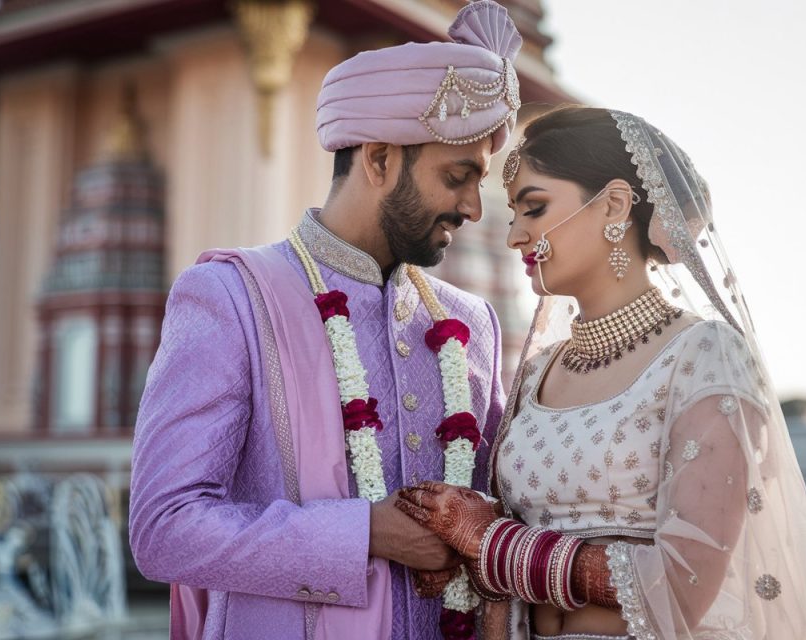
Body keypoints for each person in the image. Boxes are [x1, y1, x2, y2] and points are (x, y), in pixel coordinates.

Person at [128, 2, 522, 638]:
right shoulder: (232, 297)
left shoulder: (469, 323)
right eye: (458, 176)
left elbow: (508, 502)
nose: (475, 207)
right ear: (377, 158)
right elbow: (164, 527)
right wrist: (365, 533)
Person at [396, 106, 806, 640]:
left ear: (613, 204)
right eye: (514, 214)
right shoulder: (541, 368)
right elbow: (498, 544)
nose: (515, 236)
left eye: (534, 209)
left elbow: (686, 581)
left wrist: (492, 546)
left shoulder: (704, 356)